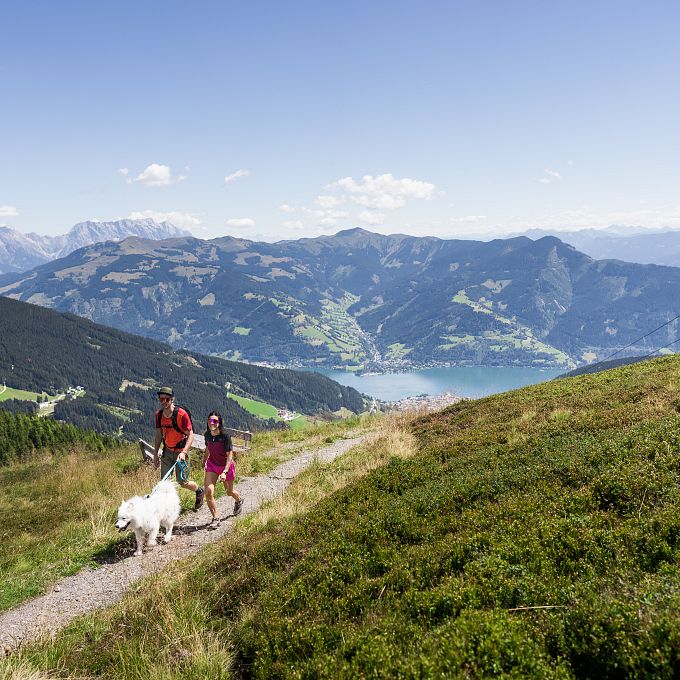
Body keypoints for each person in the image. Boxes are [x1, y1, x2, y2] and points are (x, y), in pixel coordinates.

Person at [152, 386, 204, 511]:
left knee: (183, 482)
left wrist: (184, 452)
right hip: (167, 452)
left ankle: (199, 491)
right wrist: (155, 454)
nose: (163, 401)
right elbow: (159, 435)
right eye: (161, 399)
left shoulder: (181, 414)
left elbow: (190, 434)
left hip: (181, 453)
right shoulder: (159, 415)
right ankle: (167, 511)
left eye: (166, 399)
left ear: (172, 399)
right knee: (164, 484)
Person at [202, 410, 243, 529]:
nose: (212, 423)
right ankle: (215, 518)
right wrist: (204, 461)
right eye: (210, 420)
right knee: (208, 491)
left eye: (214, 421)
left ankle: (239, 500)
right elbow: (208, 448)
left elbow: (230, 455)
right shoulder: (207, 435)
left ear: (219, 422)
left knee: (229, 492)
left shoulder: (225, 436)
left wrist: (225, 471)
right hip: (212, 465)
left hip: (226, 466)